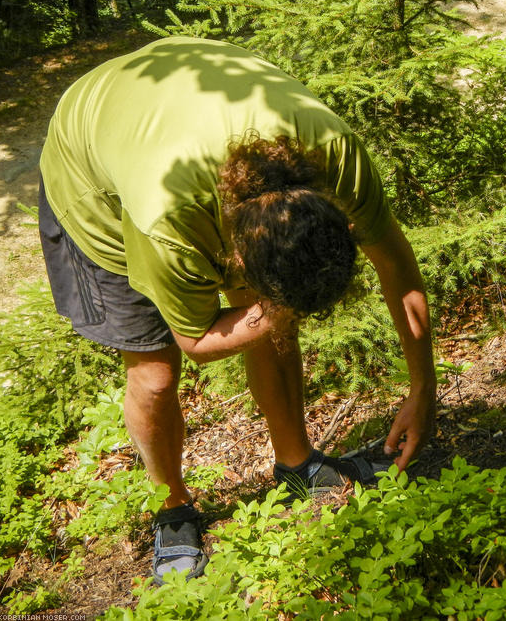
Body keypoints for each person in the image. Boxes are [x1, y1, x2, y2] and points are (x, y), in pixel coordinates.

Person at [38, 36, 436, 584]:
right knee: (154, 376)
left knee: (271, 320)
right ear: (237, 257)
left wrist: (423, 389)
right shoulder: (168, 221)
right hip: (92, 176)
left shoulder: (336, 159)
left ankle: (297, 466)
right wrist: (271, 312)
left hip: (176, 101)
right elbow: (196, 342)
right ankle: (173, 512)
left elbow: (396, 266)